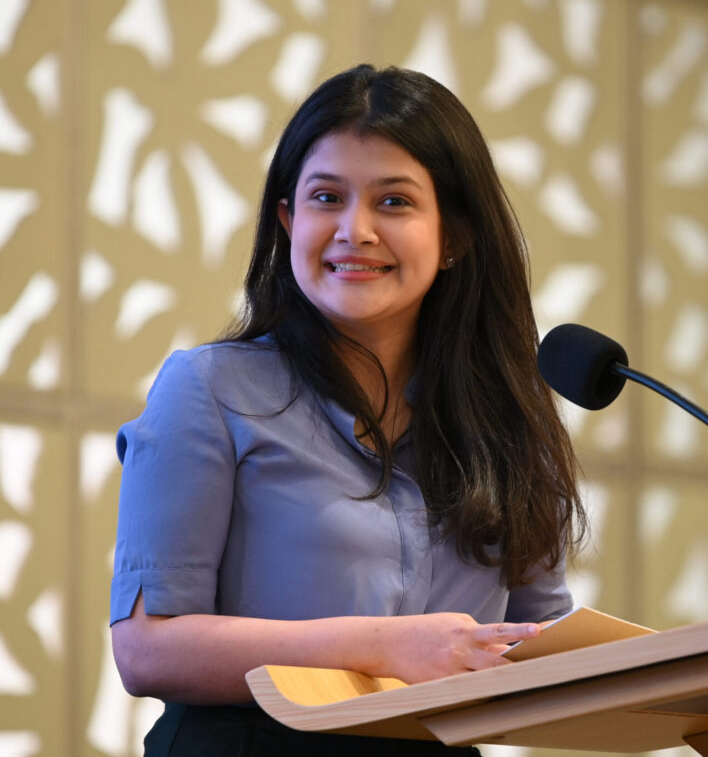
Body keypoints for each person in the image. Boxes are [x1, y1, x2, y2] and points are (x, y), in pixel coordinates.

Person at [110, 64, 585, 756]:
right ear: (288, 219)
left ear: (454, 236)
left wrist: (700, 683)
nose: (354, 230)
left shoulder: (510, 423)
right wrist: (385, 648)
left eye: (393, 202)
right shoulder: (209, 390)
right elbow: (146, 651)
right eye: (326, 197)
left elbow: (538, 648)